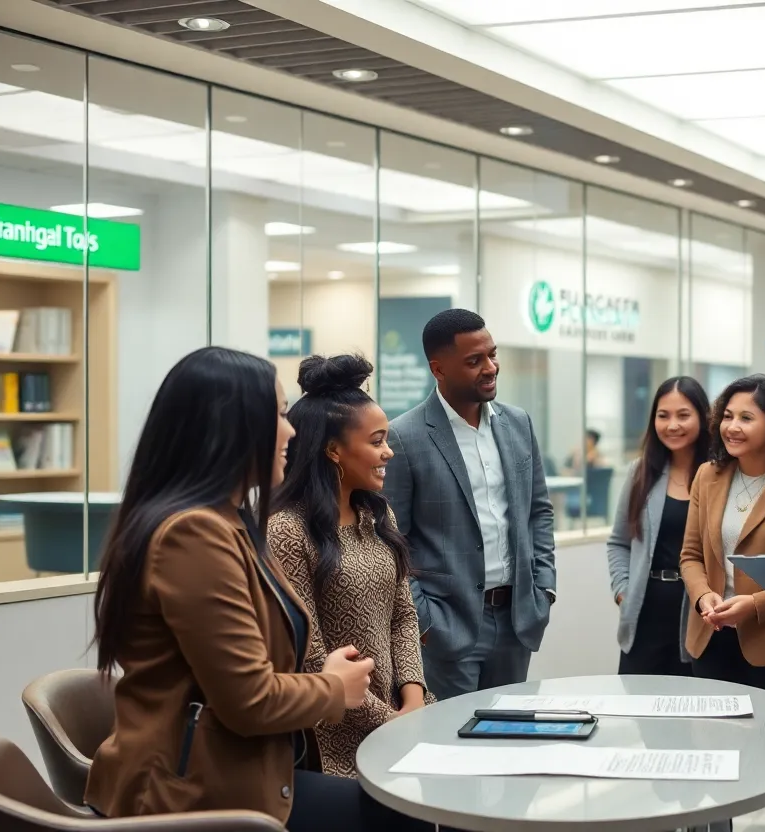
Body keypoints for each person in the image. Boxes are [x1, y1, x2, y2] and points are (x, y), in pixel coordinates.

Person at [86, 347, 428, 832]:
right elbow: (248, 701)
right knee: (407, 815)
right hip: (194, 793)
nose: (292, 431)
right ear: (232, 428)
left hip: (247, 770)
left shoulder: (231, 523)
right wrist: (335, 687)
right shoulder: (194, 535)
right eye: (280, 415)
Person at [269, 353, 431, 778]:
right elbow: (309, 653)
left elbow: (403, 615)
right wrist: (387, 721)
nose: (388, 452)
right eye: (376, 441)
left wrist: (412, 699)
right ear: (334, 451)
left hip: (403, 718)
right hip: (334, 738)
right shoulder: (286, 530)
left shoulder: (379, 516)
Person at [384, 308, 556, 700]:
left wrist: (544, 589)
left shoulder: (518, 423)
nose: (491, 368)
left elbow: (538, 512)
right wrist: (424, 620)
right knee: (454, 747)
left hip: (517, 619)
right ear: (439, 369)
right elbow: (394, 540)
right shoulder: (405, 437)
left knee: (512, 737)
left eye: (493, 355)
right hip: (448, 626)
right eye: (474, 361)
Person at [680, 373, 765, 832]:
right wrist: (704, 597)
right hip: (712, 636)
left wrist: (752, 606)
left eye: (746, 418)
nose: (731, 427)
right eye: (728, 416)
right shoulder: (709, 475)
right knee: (713, 764)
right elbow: (692, 555)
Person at [607, 376, 711, 676]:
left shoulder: (718, 475)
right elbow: (618, 542)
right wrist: (623, 591)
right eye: (663, 416)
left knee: (691, 710)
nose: (672, 425)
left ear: (703, 418)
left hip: (697, 613)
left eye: (683, 415)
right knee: (637, 710)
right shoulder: (641, 472)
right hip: (644, 610)